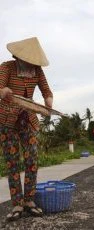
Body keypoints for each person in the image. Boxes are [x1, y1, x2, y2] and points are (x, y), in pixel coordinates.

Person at [0, 37, 53, 221]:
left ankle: (29, 201)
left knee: (32, 158)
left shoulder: (37, 71)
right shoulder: (7, 67)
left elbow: (46, 91)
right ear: (19, 57)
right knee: (12, 162)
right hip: (7, 121)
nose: (30, 64)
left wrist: (48, 104)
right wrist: (4, 91)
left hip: (28, 119)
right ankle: (17, 204)